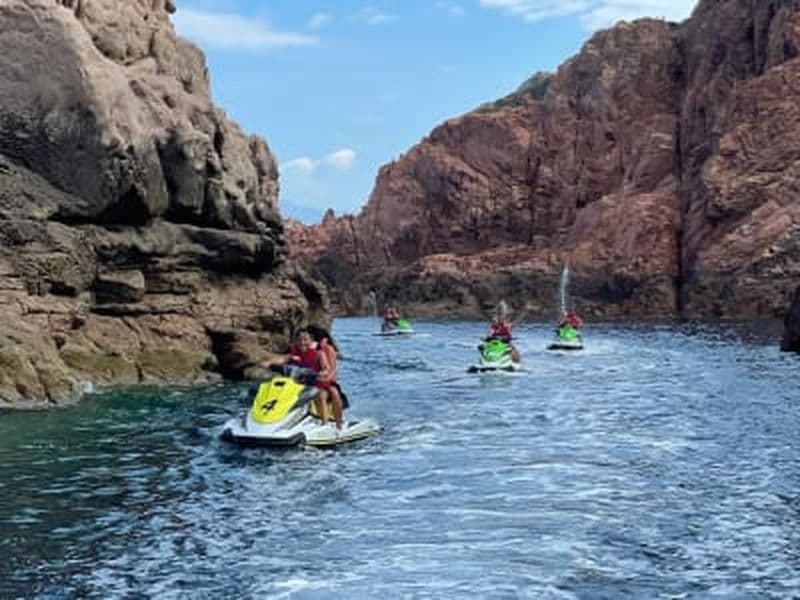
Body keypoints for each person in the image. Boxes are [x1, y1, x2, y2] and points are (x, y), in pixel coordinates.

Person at [307, 324, 345, 430]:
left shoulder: (328, 348)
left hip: (327, 381)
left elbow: (332, 370)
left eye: (310, 338)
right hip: (311, 380)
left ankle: (336, 424)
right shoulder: (307, 349)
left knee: (329, 393)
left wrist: (324, 379)